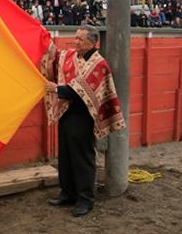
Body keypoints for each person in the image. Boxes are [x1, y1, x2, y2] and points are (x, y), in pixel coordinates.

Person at [42, 25, 126, 217]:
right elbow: (56, 56)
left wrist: (56, 89)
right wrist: (42, 37)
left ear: (93, 42)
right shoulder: (71, 56)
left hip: (83, 117)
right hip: (67, 113)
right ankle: (68, 194)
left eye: (81, 39)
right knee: (65, 157)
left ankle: (86, 199)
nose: (76, 41)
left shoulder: (98, 63)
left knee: (82, 158)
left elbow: (80, 89)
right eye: (76, 38)